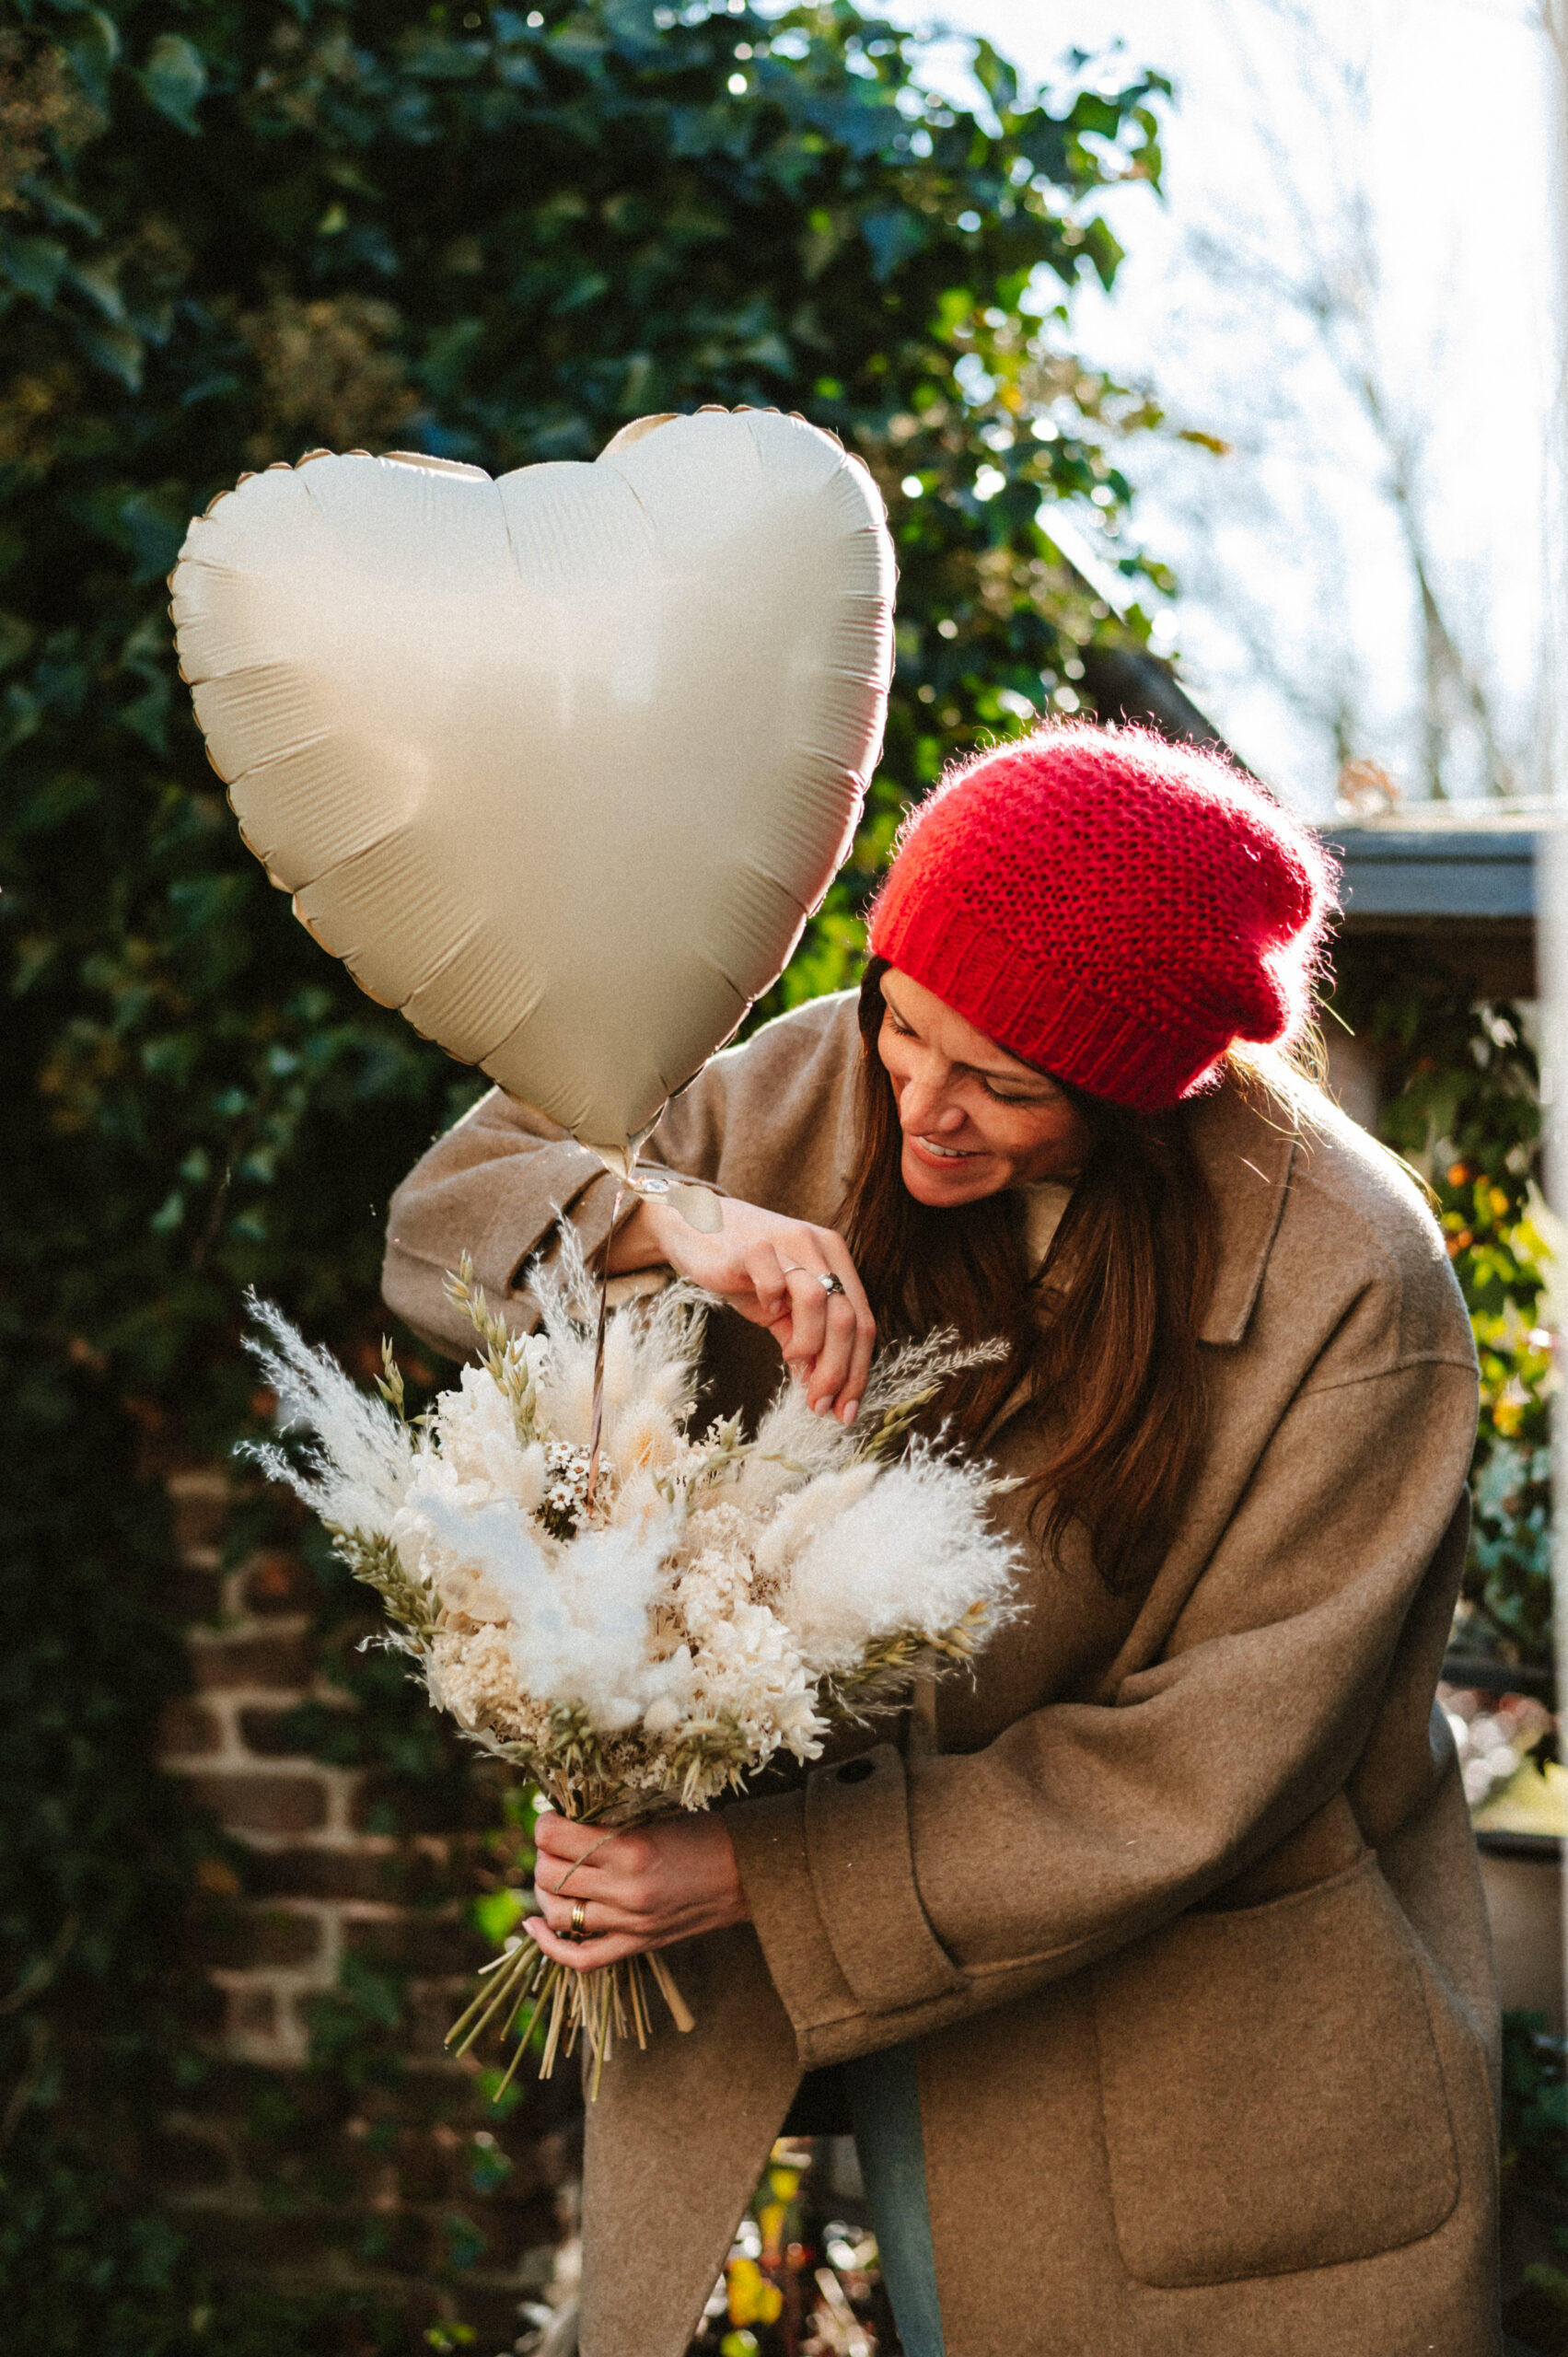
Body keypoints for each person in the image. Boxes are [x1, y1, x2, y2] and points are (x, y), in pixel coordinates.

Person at [383, 725, 1499, 2357]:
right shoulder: (818, 1075)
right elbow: (439, 1232)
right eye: (906, 1026)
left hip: (1205, 2059)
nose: (923, 1103)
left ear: (1147, 1088)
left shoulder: (1357, 1282)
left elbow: (1212, 1764)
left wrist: (759, 1874)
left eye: (1005, 1085)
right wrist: (674, 1222)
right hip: (804, 2015)